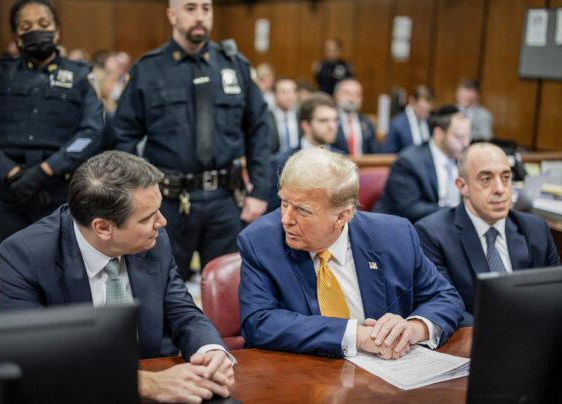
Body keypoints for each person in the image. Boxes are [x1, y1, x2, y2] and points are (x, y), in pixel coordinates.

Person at [0, 151, 235, 403]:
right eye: (147, 218)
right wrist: (144, 383)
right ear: (103, 227)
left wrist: (209, 349)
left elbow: (183, 313)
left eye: (158, 209)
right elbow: (30, 358)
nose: (162, 222)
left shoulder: (153, 240)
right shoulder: (25, 256)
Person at [239, 147, 464, 358]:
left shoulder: (395, 236)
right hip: (305, 378)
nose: (286, 219)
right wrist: (354, 335)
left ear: (342, 216)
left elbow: (445, 297)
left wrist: (414, 329)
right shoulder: (261, 241)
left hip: (386, 376)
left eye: (302, 210)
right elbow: (258, 322)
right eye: (284, 202)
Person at [112, 0, 270, 281]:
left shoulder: (234, 64)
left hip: (225, 199)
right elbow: (122, 136)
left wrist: (259, 192)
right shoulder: (148, 69)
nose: (200, 16)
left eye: (206, 8)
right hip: (167, 202)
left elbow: (259, 129)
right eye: (190, 8)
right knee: (162, 287)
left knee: (229, 287)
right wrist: (139, 193)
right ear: (172, 15)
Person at [0, 0, 104, 257]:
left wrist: (44, 171)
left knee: (60, 282)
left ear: (57, 31)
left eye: (43, 24)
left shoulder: (81, 75)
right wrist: (12, 173)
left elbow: (90, 133)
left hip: (57, 191)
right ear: (16, 37)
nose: (36, 31)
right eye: (26, 26)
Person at [415, 143, 560, 325]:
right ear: (462, 186)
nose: (500, 189)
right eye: (486, 179)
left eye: (506, 177)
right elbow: (445, 306)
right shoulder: (432, 234)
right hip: (476, 342)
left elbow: (554, 295)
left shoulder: (535, 229)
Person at [374, 106, 471, 223]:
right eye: (460, 137)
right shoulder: (408, 162)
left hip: (448, 225)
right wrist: (455, 211)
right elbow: (409, 209)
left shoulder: (463, 159)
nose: (466, 143)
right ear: (439, 133)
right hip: (407, 228)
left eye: (468, 137)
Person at [267, 92, 341, 211]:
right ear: (306, 125)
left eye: (335, 120)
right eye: (323, 120)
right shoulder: (282, 162)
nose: (332, 126)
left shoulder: (342, 160)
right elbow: (273, 210)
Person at [331, 78, 378, 155]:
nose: (352, 99)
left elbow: (375, 154)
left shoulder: (367, 123)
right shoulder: (329, 120)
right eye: (347, 93)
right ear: (336, 95)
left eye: (357, 94)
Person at [381, 85, 434, 153]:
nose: (426, 115)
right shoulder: (397, 124)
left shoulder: (429, 122)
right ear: (412, 101)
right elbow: (387, 154)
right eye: (422, 109)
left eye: (428, 111)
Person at [268, 77, 299, 154]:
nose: (289, 96)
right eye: (284, 92)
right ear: (275, 95)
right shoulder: (267, 117)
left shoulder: (301, 116)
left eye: (292, 92)